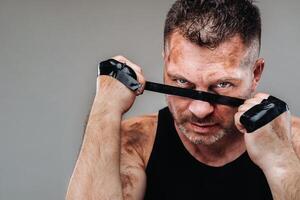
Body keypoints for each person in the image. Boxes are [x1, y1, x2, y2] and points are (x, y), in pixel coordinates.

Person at [66, 0, 300, 199]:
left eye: (222, 84)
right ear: (165, 64)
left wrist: (281, 164)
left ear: (255, 73)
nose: (200, 110)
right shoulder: (136, 142)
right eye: (181, 82)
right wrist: (105, 108)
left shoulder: (295, 144)